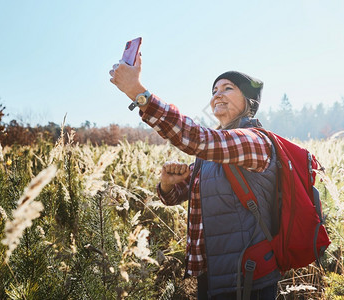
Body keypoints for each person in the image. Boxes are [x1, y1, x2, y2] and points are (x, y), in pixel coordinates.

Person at [109, 52, 280, 300]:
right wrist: (168, 186)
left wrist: (139, 93)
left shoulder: (253, 140)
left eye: (228, 88)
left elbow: (197, 139)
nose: (217, 94)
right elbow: (181, 195)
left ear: (249, 102)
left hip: (247, 274)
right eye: (214, 90)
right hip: (212, 274)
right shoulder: (212, 150)